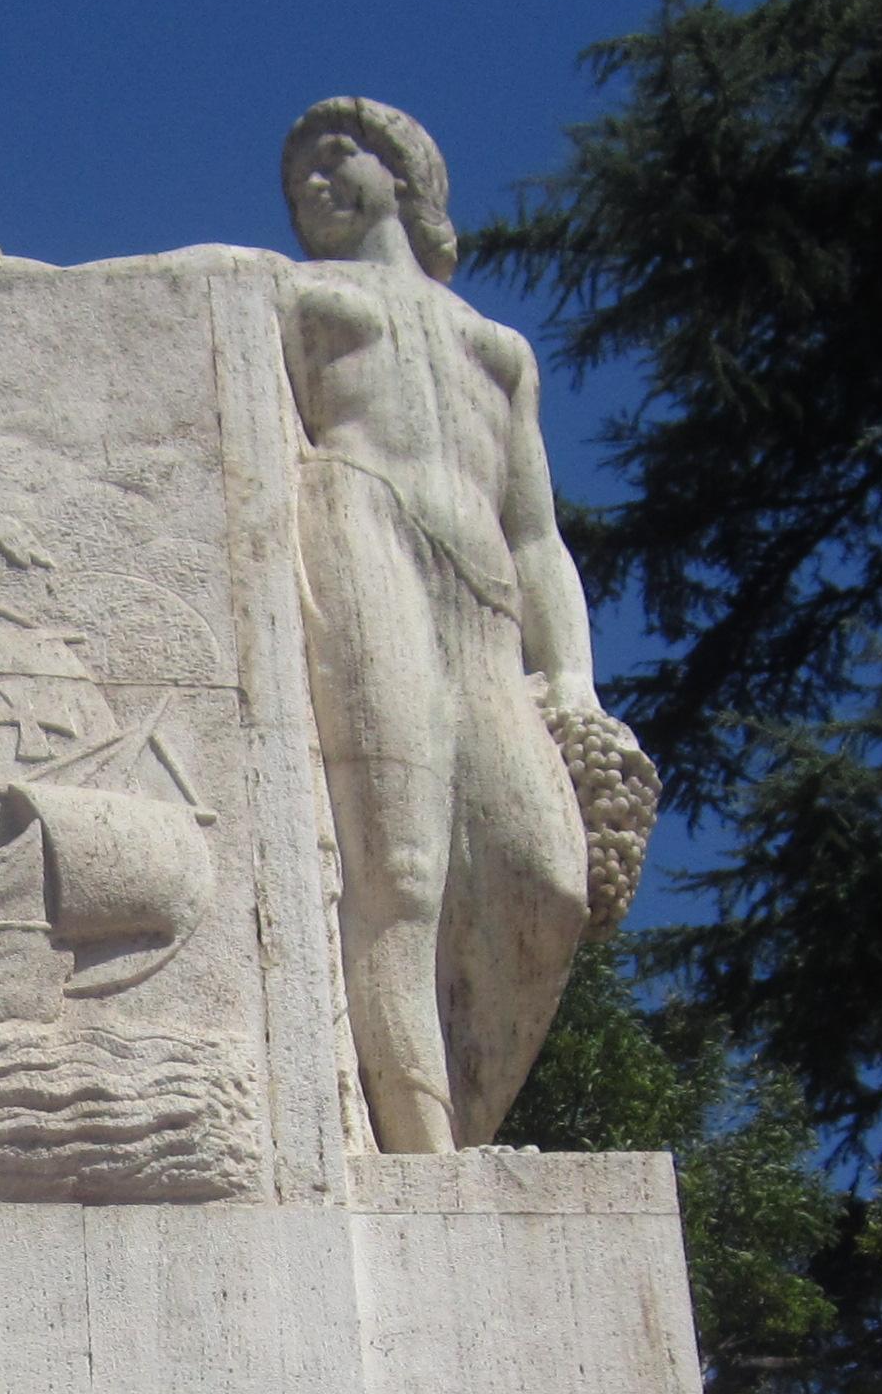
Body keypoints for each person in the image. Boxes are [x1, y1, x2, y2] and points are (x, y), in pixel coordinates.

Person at [265, 98, 653, 1149]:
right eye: (295, 171)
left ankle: (452, 1130)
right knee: (401, 869)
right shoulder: (291, 293)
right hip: (359, 527)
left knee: (545, 879)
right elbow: (154, 303)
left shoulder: (500, 351)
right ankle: (420, 1155)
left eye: (332, 156)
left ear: (404, 171)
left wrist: (571, 675)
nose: (309, 182)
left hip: (482, 594)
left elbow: (536, 537)